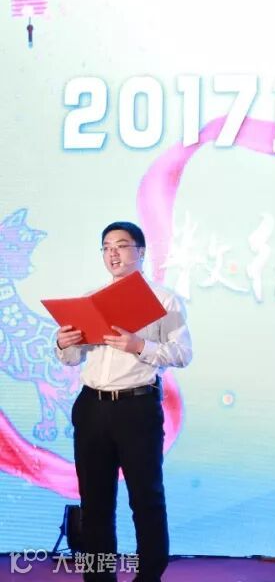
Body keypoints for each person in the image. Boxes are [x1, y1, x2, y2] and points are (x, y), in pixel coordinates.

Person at [55, 221, 193, 582]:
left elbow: (182, 354)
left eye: (121, 245)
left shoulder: (163, 300)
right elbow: (73, 358)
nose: (112, 253)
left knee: (146, 498)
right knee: (94, 502)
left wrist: (139, 345)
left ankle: (149, 576)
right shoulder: (90, 299)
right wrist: (63, 343)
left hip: (136, 407)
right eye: (106, 247)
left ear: (141, 251)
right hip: (92, 406)